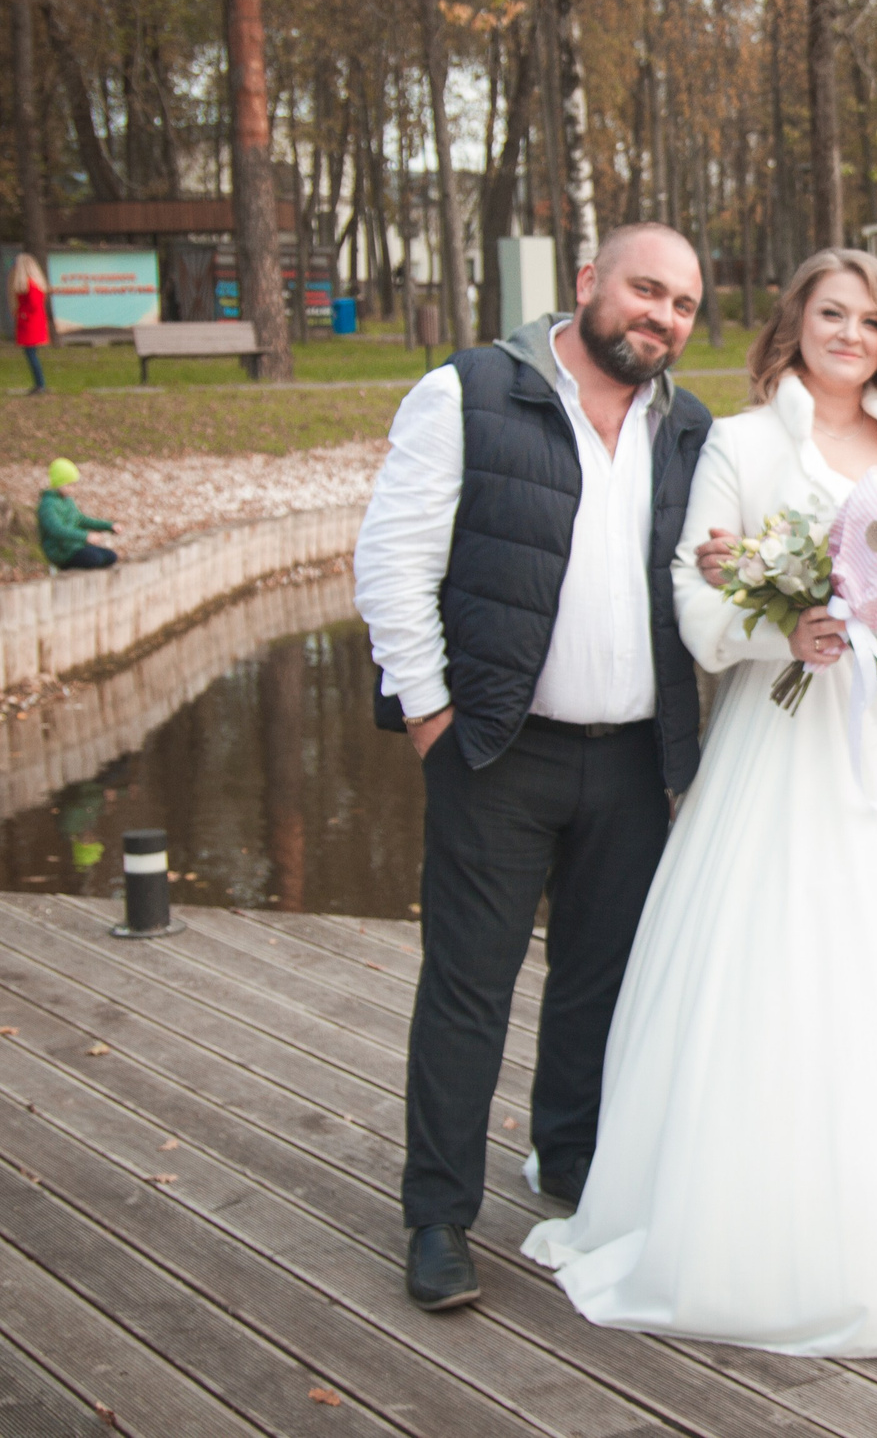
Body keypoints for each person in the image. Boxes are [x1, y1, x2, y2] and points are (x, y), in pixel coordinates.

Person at [528, 249, 877, 1357]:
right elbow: (694, 583)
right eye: (832, 313)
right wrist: (785, 626)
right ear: (796, 323)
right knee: (781, 948)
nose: (852, 335)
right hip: (785, 726)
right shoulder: (739, 444)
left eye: (872, 320)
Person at [351, 223, 713, 1314]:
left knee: (599, 986)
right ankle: (438, 1217)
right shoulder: (468, 393)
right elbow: (391, 563)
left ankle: (569, 1165)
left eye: (684, 304)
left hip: (635, 762)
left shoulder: (687, 427)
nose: (661, 316)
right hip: (499, 750)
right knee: (469, 988)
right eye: (646, 289)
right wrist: (430, 718)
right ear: (589, 281)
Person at [37, 458, 118, 570]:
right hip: (61, 552)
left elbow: (81, 520)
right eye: (69, 485)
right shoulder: (48, 505)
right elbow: (57, 530)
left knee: (111, 556)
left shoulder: (67, 501)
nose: (72, 489)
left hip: (74, 547)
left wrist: (109, 526)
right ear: (59, 483)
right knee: (95, 558)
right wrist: (85, 536)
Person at [9, 253, 51, 395]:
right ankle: (39, 383)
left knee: (31, 354)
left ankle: (40, 384)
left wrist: (22, 313)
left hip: (30, 324)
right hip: (32, 322)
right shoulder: (35, 283)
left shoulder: (30, 284)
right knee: (31, 354)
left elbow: (33, 304)